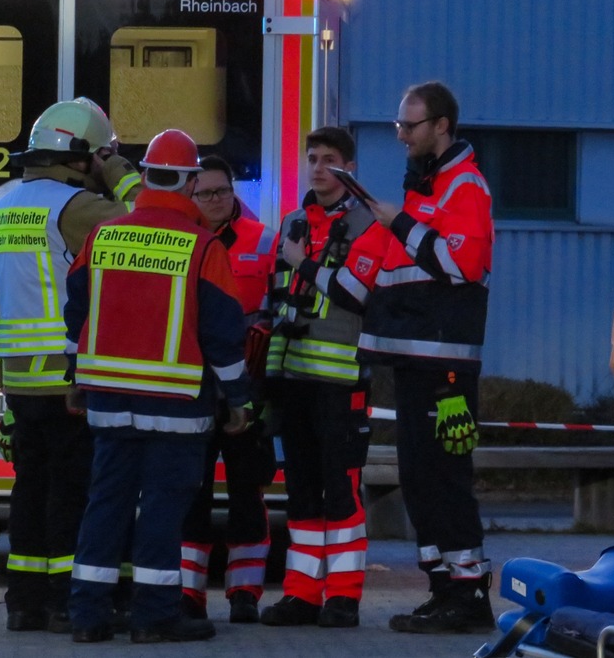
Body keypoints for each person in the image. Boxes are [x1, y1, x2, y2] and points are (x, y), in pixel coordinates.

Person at [0, 97, 141, 633]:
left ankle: (24, 604)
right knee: (72, 493)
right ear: (85, 158)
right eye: (102, 157)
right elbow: (155, 226)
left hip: (19, 380)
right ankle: (66, 600)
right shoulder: (75, 207)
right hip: (67, 381)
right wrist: (124, 175)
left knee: (30, 493)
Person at [64, 129, 249, 644]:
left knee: (106, 505)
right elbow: (222, 336)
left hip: (108, 402)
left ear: (144, 176)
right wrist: (240, 400)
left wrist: (76, 380)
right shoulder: (203, 246)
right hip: (175, 405)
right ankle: (154, 616)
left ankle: (88, 615)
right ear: (190, 182)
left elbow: (76, 312)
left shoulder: (104, 238)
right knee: (162, 513)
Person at [359, 81, 495, 634]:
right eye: (397, 125)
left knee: (442, 478)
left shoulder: (464, 185)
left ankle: (468, 597)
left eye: (408, 126)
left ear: (441, 125)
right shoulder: (427, 186)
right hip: (418, 357)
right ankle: (444, 590)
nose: (401, 136)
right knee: (419, 478)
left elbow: (457, 265)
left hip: (444, 363)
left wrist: (397, 222)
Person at [258, 127, 389, 629]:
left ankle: (343, 597)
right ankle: (301, 594)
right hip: (293, 381)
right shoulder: (293, 221)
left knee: (343, 491)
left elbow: (356, 292)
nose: (317, 168)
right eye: (311, 158)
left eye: (329, 159)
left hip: (342, 384)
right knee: (303, 493)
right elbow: (276, 295)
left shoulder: (367, 224)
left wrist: (304, 264)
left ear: (349, 168)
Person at [178, 155, 278, 624]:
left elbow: (279, 312)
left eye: (222, 191)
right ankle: (188, 595)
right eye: (205, 193)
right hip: (190, 390)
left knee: (247, 495)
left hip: (245, 391)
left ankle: (245, 594)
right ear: (190, 195)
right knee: (189, 495)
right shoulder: (179, 242)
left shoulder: (265, 241)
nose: (215, 201)